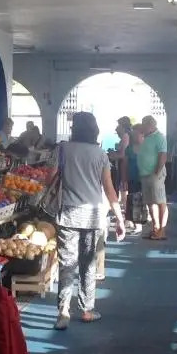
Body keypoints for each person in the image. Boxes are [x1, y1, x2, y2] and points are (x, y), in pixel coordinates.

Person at [50, 112, 125, 330]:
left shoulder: (62, 149)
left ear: (74, 128)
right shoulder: (100, 154)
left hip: (68, 214)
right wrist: (119, 219)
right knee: (88, 264)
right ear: (94, 129)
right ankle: (86, 310)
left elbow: (49, 178)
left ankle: (63, 312)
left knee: (66, 264)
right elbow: (109, 190)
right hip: (93, 216)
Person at [138, 115, 169, 240]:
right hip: (145, 174)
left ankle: (162, 230)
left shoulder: (159, 137)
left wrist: (157, 171)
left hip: (155, 174)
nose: (142, 127)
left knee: (160, 201)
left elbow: (163, 155)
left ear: (150, 125)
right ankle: (155, 228)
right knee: (150, 202)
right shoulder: (146, 137)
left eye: (143, 125)